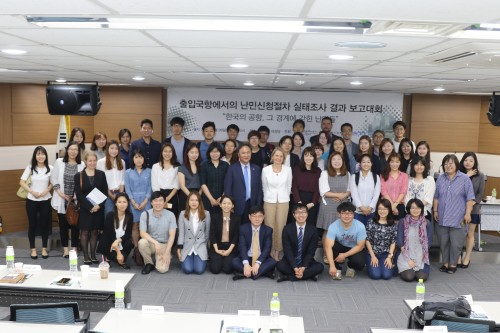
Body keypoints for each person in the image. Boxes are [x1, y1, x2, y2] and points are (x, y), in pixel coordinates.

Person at [433, 154, 475, 274]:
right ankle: (445, 263)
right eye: (446, 163)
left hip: (459, 217)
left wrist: (468, 213)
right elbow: (436, 197)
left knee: (456, 243)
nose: (448, 165)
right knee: (443, 241)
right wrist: (435, 211)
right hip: (442, 216)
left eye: (451, 163)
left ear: (456, 164)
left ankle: (453, 263)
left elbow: (470, 198)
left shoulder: (464, 179)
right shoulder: (441, 178)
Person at [51, 141, 85, 257]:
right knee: (63, 226)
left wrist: (77, 195)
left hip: (75, 201)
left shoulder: (82, 165)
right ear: (67, 150)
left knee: (75, 225)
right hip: (62, 199)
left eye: (75, 150)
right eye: (71, 149)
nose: (73, 152)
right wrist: (60, 193)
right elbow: (53, 178)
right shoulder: (59, 162)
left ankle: (74, 248)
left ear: (78, 152)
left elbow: (83, 183)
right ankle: (65, 249)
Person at [74, 151, 108, 264]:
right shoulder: (79, 175)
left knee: (94, 232)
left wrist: (98, 206)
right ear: (85, 161)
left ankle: (93, 255)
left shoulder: (101, 174)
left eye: (94, 161)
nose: (92, 163)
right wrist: (90, 207)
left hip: (98, 208)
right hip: (85, 209)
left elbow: (105, 192)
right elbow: (78, 194)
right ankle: (86, 256)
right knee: (84, 232)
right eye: (90, 161)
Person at [19, 146, 53, 259]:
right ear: (35, 156)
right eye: (38, 154)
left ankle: (44, 249)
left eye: (43, 154)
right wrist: (32, 191)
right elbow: (22, 182)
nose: (41, 156)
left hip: (45, 199)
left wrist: (46, 190)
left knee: (44, 225)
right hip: (31, 199)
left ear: (46, 156)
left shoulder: (50, 168)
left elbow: (54, 182)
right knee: (32, 224)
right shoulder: (30, 167)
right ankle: (33, 249)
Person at [277, 203, 324, 282]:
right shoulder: (287, 229)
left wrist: (303, 268)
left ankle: (289, 277)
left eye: (303, 212)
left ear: (307, 214)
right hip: (290, 261)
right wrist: (295, 267)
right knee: (279, 265)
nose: (301, 215)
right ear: (294, 214)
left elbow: (311, 252)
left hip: (306, 261)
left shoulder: (313, 230)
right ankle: (308, 275)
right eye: (298, 213)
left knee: (320, 267)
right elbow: (287, 251)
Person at [317, 152, 351, 256]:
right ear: (330, 162)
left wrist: (343, 196)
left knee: (342, 232)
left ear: (343, 161)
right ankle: (326, 253)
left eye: (339, 159)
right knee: (328, 231)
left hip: (343, 206)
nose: (336, 162)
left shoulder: (348, 174)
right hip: (328, 206)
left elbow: (350, 190)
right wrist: (339, 196)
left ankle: (339, 254)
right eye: (334, 159)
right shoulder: (325, 173)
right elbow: (323, 191)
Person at [262, 147, 292, 261]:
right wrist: (269, 196)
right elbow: (264, 187)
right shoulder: (266, 170)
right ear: (272, 157)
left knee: (281, 226)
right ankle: (269, 249)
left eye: (281, 156)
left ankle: (278, 250)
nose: (278, 158)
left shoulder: (288, 169)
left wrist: (285, 196)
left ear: (283, 158)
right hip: (269, 200)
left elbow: (289, 186)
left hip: (284, 201)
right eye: (276, 155)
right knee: (269, 226)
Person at [232, 206, 276, 280]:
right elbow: (242, 247)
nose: (257, 219)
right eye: (254, 216)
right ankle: (257, 273)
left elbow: (267, 249)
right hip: (248, 257)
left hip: (261, 258)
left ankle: (247, 273)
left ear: (263, 217)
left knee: (272, 262)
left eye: (260, 216)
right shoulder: (243, 229)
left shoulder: (268, 230)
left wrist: (258, 263)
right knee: (234, 262)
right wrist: (246, 264)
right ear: (249, 217)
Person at [324, 202, 366, 279]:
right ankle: (337, 268)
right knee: (332, 246)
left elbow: (360, 246)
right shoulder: (333, 226)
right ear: (339, 214)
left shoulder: (360, 226)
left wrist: (344, 255)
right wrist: (332, 266)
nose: (347, 216)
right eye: (343, 213)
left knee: (360, 263)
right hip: (340, 246)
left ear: (353, 214)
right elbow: (328, 247)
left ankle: (350, 266)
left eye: (350, 213)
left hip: (354, 248)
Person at [138, 191, 177, 274]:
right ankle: (149, 263)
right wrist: (155, 243)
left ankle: (164, 257)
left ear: (164, 202)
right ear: (151, 202)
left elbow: (172, 235)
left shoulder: (171, 215)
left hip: (164, 244)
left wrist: (167, 252)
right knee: (142, 242)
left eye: (160, 200)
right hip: (152, 243)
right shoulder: (145, 214)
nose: (158, 203)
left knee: (162, 269)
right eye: (155, 200)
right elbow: (142, 233)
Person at [224, 144, 263, 225]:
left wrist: (258, 205)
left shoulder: (256, 169)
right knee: (237, 230)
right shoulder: (232, 168)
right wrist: (229, 205)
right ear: (238, 154)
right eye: (243, 153)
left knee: (250, 229)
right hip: (237, 205)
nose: (246, 155)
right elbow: (228, 188)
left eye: (248, 153)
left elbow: (259, 189)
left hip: (252, 205)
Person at [459, 152, 485, 269]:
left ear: (475, 163)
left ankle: (467, 257)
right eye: (466, 160)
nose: (468, 162)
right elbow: (457, 189)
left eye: (471, 160)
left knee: (469, 234)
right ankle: (458, 256)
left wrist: (472, 203)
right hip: (458, 208)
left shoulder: (480, 176)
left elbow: (480, 194)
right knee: (458, 234)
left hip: (473, 209)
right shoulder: (458, 174)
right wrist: (466, 176)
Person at [397, 199, 432, 282]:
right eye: (413, 208)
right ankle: (405, 267)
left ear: (421, 209)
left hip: (421, 256)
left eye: (418, 208)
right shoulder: (403, 221)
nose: (415, 210)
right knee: (409, 277)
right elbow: (399, 241)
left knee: (421, 278)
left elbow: (429, 242)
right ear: (409, 209)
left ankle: (419, 268)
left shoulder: (426, 222)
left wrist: (419, 258)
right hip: (406, 255)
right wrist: (408, 259)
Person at [177, 191, 211, 274]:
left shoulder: (206, 214)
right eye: (191, 200)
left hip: (200, 244)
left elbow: (207, 232)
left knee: (199, 270)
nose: (194, 202)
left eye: (196, 200)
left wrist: (205, 246)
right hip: (187, 244)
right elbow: (181, 233)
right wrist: (179, 248)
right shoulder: (182, 214)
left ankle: (199, 257)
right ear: (188, 201)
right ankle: (189, 258)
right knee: (187, 270)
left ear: (199, 202)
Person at [97, 193, 134, 269]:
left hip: (120, 241)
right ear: (115, 203)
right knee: (119, 257)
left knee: (129, 243)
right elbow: (111, 235)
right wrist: (118, 252)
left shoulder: (129, 215)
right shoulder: (110, 215)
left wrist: (118, 241)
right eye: (119, 202)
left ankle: (120, 259)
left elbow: (128, 234)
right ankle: (108, 257)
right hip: (109, 242)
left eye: (124, 202)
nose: (122, 204)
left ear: (128, 203)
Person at [125, 148, 152, 247]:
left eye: (140, 157)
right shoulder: (128, 172)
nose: (138, 159)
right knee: (135, 225)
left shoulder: (149, 171)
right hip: (133, 202)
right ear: (133, 159)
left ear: (144, 158)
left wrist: (145, 201)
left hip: (146, 201)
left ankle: (145, 248)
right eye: (136, 157)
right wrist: (133, 202)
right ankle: (136, 248)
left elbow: (150, 187)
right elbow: (127, 189)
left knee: (146, 226)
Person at [365, 199, 397, 280]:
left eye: (385, 209)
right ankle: (370, 265)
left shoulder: (392, 223)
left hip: (385, 254)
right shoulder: (371, 221)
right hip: (372, 253)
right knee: (376, 275)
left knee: (387, 276)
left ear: (389, 210)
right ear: (377, 210)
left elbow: (393, 241)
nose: (382, 211)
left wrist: (389, 257)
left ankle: (392, 266)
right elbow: (367, 240)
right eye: (380, 209)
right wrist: (372, 256)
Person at [209, 195, 241, 274]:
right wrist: (217, 250)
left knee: (227, 270)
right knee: (215, 270)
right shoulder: (214, 217)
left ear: (232, 205)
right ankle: (218, 259)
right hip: (217, 247)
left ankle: (225, 260)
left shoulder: (237, 218)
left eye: (229, 203)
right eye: (224, 203)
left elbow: (236, 236)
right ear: (220, 204)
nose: (226, 206)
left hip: (230, 247)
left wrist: (229, 250)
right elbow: (212, 235)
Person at [292, 147, 321, 228]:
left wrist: (313, 203)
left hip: (312, 201)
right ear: (303, 157)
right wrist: (298, 202)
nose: (308, 158)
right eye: (306, 155)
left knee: (310, 225)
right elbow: (294, 186)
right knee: (297, 224)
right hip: (298, 199)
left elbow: (318, 188)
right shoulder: (297, 169)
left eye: (311, 156)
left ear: (314, 158)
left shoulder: (318, 171)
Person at [350, 154, 381, 226]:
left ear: (371, 164)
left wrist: (370, 208)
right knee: (357, 233)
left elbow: (376, 194)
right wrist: (362, 208)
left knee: (370, 233)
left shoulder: (375, 177)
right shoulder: (354, 177)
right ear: (360, 164)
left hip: (371, 211)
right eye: (363, 162)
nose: (366, 164)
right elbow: (354, 194)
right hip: (357, 212)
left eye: (368, 162)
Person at [96, 139, 125, 216]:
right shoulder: (101, 162)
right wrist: (112, 196)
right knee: (109, 215)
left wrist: (120, 195)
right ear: (107, 149)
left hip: (119, 192)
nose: (114, 151)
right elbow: (101, 182)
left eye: (116, 149)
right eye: (112, 148)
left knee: (120, 216)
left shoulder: (122, 162)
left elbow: (122, 180)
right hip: (107, 194)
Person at [200, 142, 229, 215]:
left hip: (222, 200)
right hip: (207, 199)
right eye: (212, 151)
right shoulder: (204, 165)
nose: (214, 154)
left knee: (220, 222)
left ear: (220, 152)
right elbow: (203, 184)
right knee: (208, 222)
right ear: (209, 153)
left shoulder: (225, 165)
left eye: (217, 151)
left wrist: (222, 197)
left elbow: (228, 183)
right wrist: (211, 199)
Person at [152, 143, 180, 216]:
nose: (167, 154)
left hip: (172, 196)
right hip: (158, 196)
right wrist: (160, 200)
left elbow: (177, 185)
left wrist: (167, 199)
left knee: (172, 218)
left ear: (173, 153)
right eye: (165, 151)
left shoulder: (177, 167)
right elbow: (155, 185)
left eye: (170, 151)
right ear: (161, 152)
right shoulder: (155, 166)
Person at [380, 152, 408, 220]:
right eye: (392, 162)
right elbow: (384, 192)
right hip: (385, 205)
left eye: (397, 162)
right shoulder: (383, 175)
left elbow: (403, 191)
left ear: (400, 163)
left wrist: (394, 205)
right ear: (389, 163)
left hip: (400, 205)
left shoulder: (405, 176)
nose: (394, 164)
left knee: (399, 227)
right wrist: (392, 206)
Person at [178, 143, 201, 211]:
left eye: (196, 152)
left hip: (199, 194)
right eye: (192, 152)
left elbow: (203, 183)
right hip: (186, 194)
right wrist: (192, 197)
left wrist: (198, 196)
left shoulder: (201, 166)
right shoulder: (182, 167)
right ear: (187, 153)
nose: (194, 155)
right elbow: (182, 186)